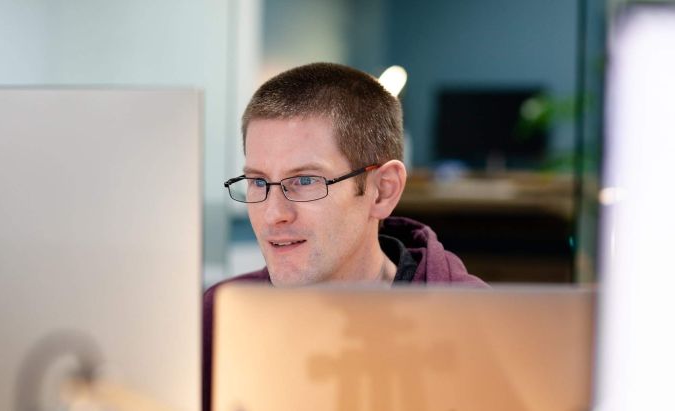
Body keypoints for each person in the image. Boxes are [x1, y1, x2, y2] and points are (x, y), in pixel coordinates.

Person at [202, 62, 486, 410]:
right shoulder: (221, 315)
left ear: (382, 191)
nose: (273, 214)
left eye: (305, 180)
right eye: (259, 182)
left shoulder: (479, 325)